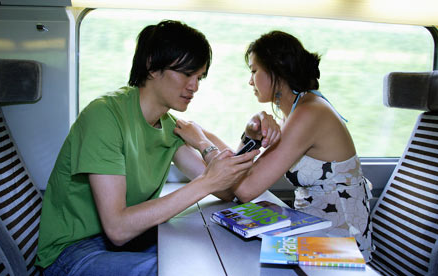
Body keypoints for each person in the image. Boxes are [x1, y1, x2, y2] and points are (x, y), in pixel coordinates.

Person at [35, 20, 280, 276]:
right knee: (181, 271)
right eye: (187, 74)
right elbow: (117, 229)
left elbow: (227, 190)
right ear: (152, 66)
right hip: (72, 252)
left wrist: (247, 138)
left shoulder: (169, 126)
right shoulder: (105, 116)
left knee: (217, 253)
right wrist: (207, 181)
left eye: (199, 77)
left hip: (131, 240)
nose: (194, 86)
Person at [175, 30, 373, 261]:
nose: (250, 81)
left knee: (241, 257)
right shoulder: (298, 112)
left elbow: (246, 189)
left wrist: (202, 142)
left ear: (276, 69)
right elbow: (246, 172)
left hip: (342, 246)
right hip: (314, 233)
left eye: (254, 71)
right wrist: (250, 135)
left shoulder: (310, 113)